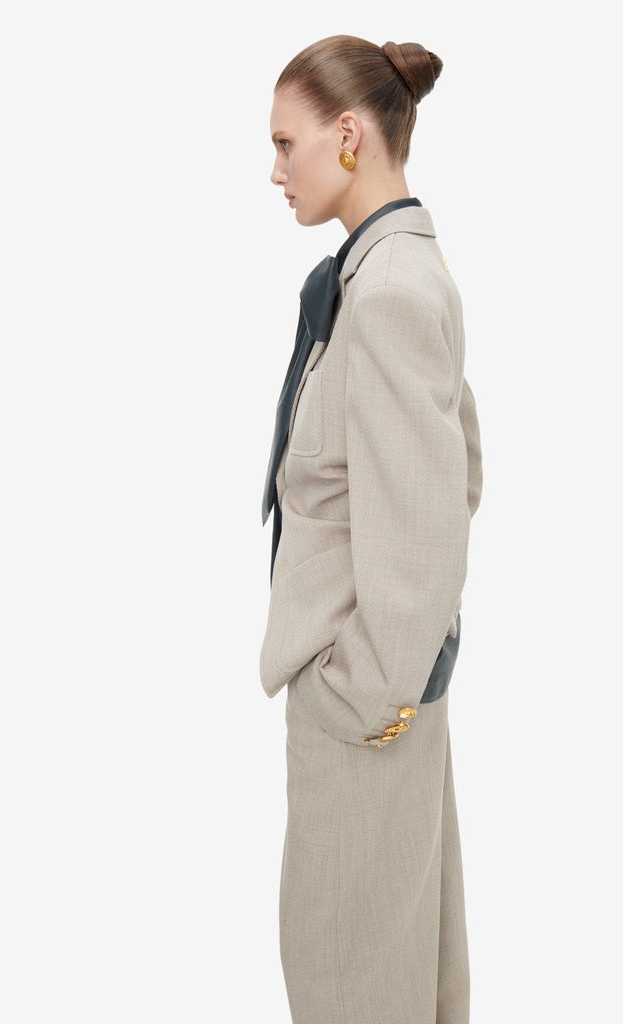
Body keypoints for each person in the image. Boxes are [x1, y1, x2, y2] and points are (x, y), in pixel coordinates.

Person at [259, 34, 483, 1024]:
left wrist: (363, 690)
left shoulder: (388, 290)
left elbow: (431, 511)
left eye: (286, 143)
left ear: (348, 135)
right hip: (376, 697)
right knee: (390, 971)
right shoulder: (390, 272)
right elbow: (459, 467)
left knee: (349, 980)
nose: (275, 171)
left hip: (362, 708)